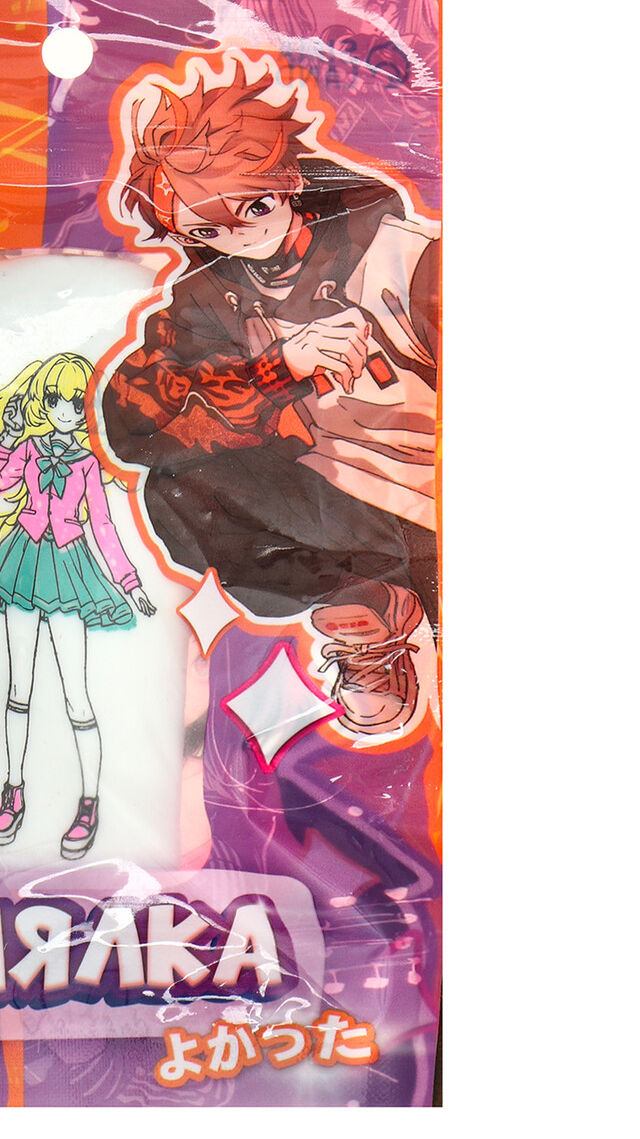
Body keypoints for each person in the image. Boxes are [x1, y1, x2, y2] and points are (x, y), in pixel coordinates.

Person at [100, 51, 438, 736]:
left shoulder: (402, 255)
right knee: (175, 488)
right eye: (206, 230)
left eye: (252, 207)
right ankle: (365, 607)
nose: (240, 236)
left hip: (435, 507)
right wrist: (274, 371)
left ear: (288, 177)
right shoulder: (206, 299)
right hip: (331, 511)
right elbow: (130, 425)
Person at [0, 353, 155, 858]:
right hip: (23, 561)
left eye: (77, 401)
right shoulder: (27, 448)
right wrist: (6, 439)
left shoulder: (88, 463)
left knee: (77, 695)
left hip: (69, 567)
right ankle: (13, 790)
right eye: (56, 399)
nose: (66, 410)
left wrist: (129, 582)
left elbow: (103, 526)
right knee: (18, 689)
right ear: (43, 403)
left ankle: (89, 802)